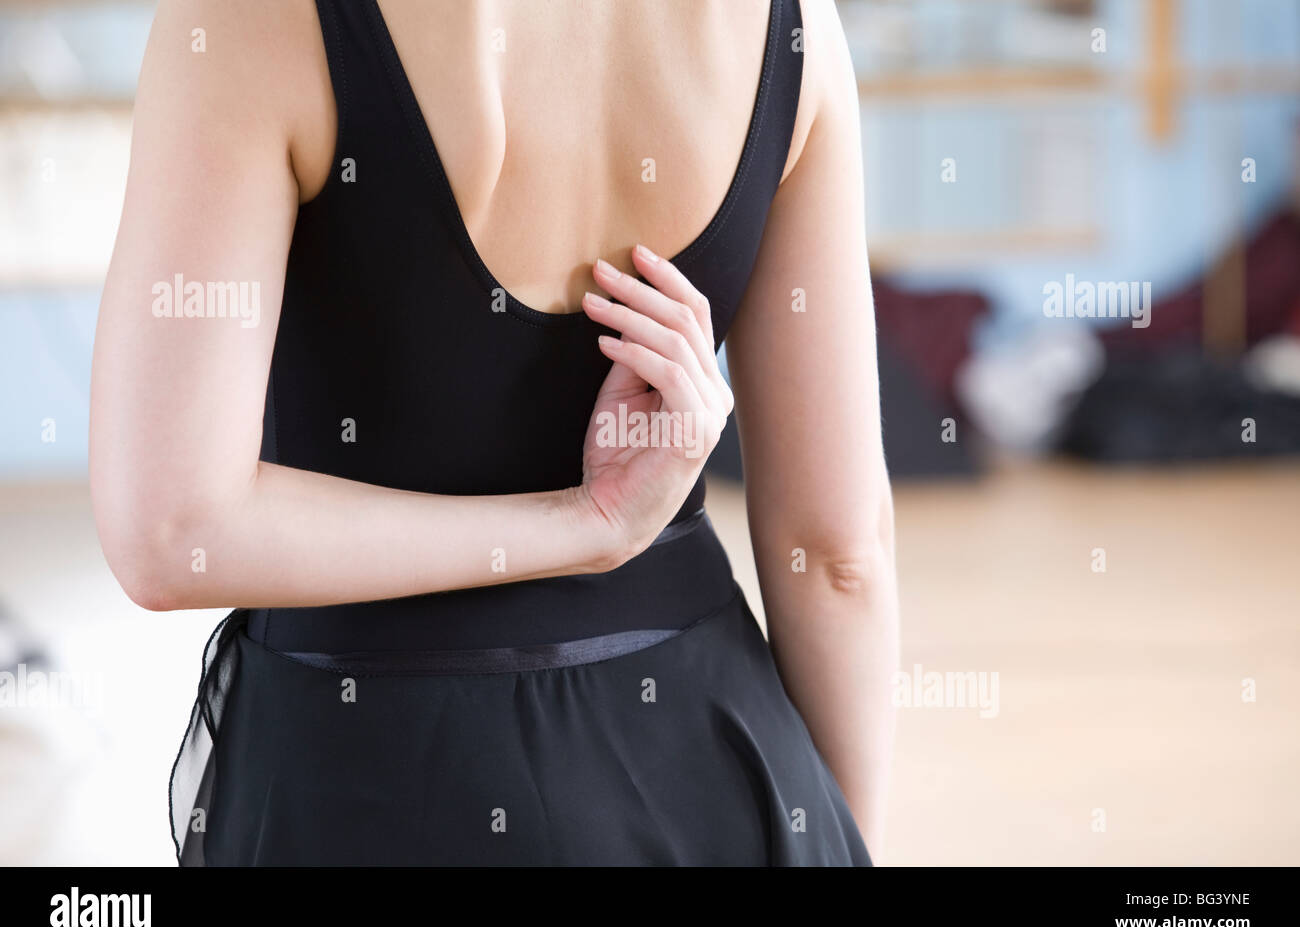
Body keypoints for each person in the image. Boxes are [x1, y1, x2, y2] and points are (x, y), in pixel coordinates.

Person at [90, 0, 898, 866]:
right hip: (713, 764)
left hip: (361, 774)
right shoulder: (794, 25)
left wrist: (581, 525)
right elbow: (838, 557)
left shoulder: (252, 20)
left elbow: (172, 530)